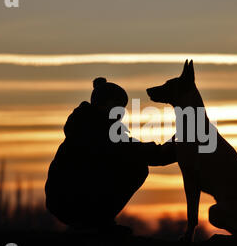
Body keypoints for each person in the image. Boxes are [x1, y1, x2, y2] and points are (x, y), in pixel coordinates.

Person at [45, 77, 176, 231]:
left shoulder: (90, 124)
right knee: (136, 168)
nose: (121, 113)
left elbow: (133, 150)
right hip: (68, 200)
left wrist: (171, 150)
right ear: (105, 104)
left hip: (67, 198)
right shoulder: (93, 129)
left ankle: (97, 221)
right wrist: (173, 150)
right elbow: (134, 152)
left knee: (130, 165)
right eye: (118, 106)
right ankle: (96, 222)